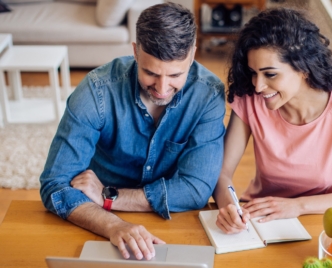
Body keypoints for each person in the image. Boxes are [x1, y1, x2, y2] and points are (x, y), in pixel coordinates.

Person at [39, 3, 225, 260]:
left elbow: (196, 189)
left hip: (165, 218)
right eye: (150, 72)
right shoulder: (97, 90)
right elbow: (55, 184)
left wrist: (110, 197)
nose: (162, 88)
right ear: (136, 52)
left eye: (175, 75)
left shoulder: (208, 95)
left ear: (192, 55)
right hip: (96, 219)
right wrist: (113, 224)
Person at [213, 7, 332, 234]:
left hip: (327, 219)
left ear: (303, 68)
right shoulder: (251, 98)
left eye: (270, 74)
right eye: (253, 72)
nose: (258, 85)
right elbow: (222, 172)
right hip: (261, 220)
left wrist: (297, 206)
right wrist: (230, 207)